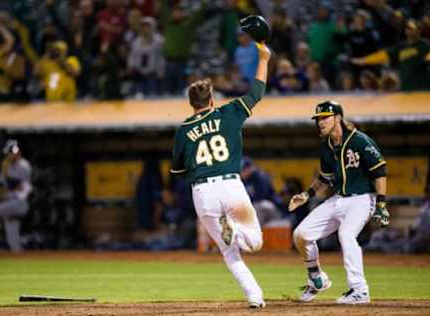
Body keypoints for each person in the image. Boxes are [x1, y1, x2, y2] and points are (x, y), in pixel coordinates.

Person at [170, 42, 271, 308]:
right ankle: (235, 229)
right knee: (256, 243)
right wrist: (264, 59)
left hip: (203, 192)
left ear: (191, 103)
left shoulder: (183, 130)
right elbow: (257, 92)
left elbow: (178, 171)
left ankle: (255, 297)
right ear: (212, 100)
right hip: (231, 187)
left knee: (229, 252)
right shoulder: (229, 112)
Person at [288, 100, 389, 304]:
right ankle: (317, 279)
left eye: (325, 117)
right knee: (301, 234)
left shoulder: (360, 141)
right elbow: (325, 178)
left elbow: (380, 171)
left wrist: (381, 204)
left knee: (346, 234)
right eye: (318, 119)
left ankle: (360, 290)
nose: (321, 122)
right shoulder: (326, 146)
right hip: (339, 199)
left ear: (338, 118)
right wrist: (306, 194)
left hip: (362, 198)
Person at [351, 19, 430, 91]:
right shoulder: (401, 46)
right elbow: (383, 55)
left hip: (422, 88)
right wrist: (365, 60)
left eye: (413, 29)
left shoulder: (424, 45)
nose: (410, 31)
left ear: (419, 30)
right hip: (406, 87)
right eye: (408, 28)